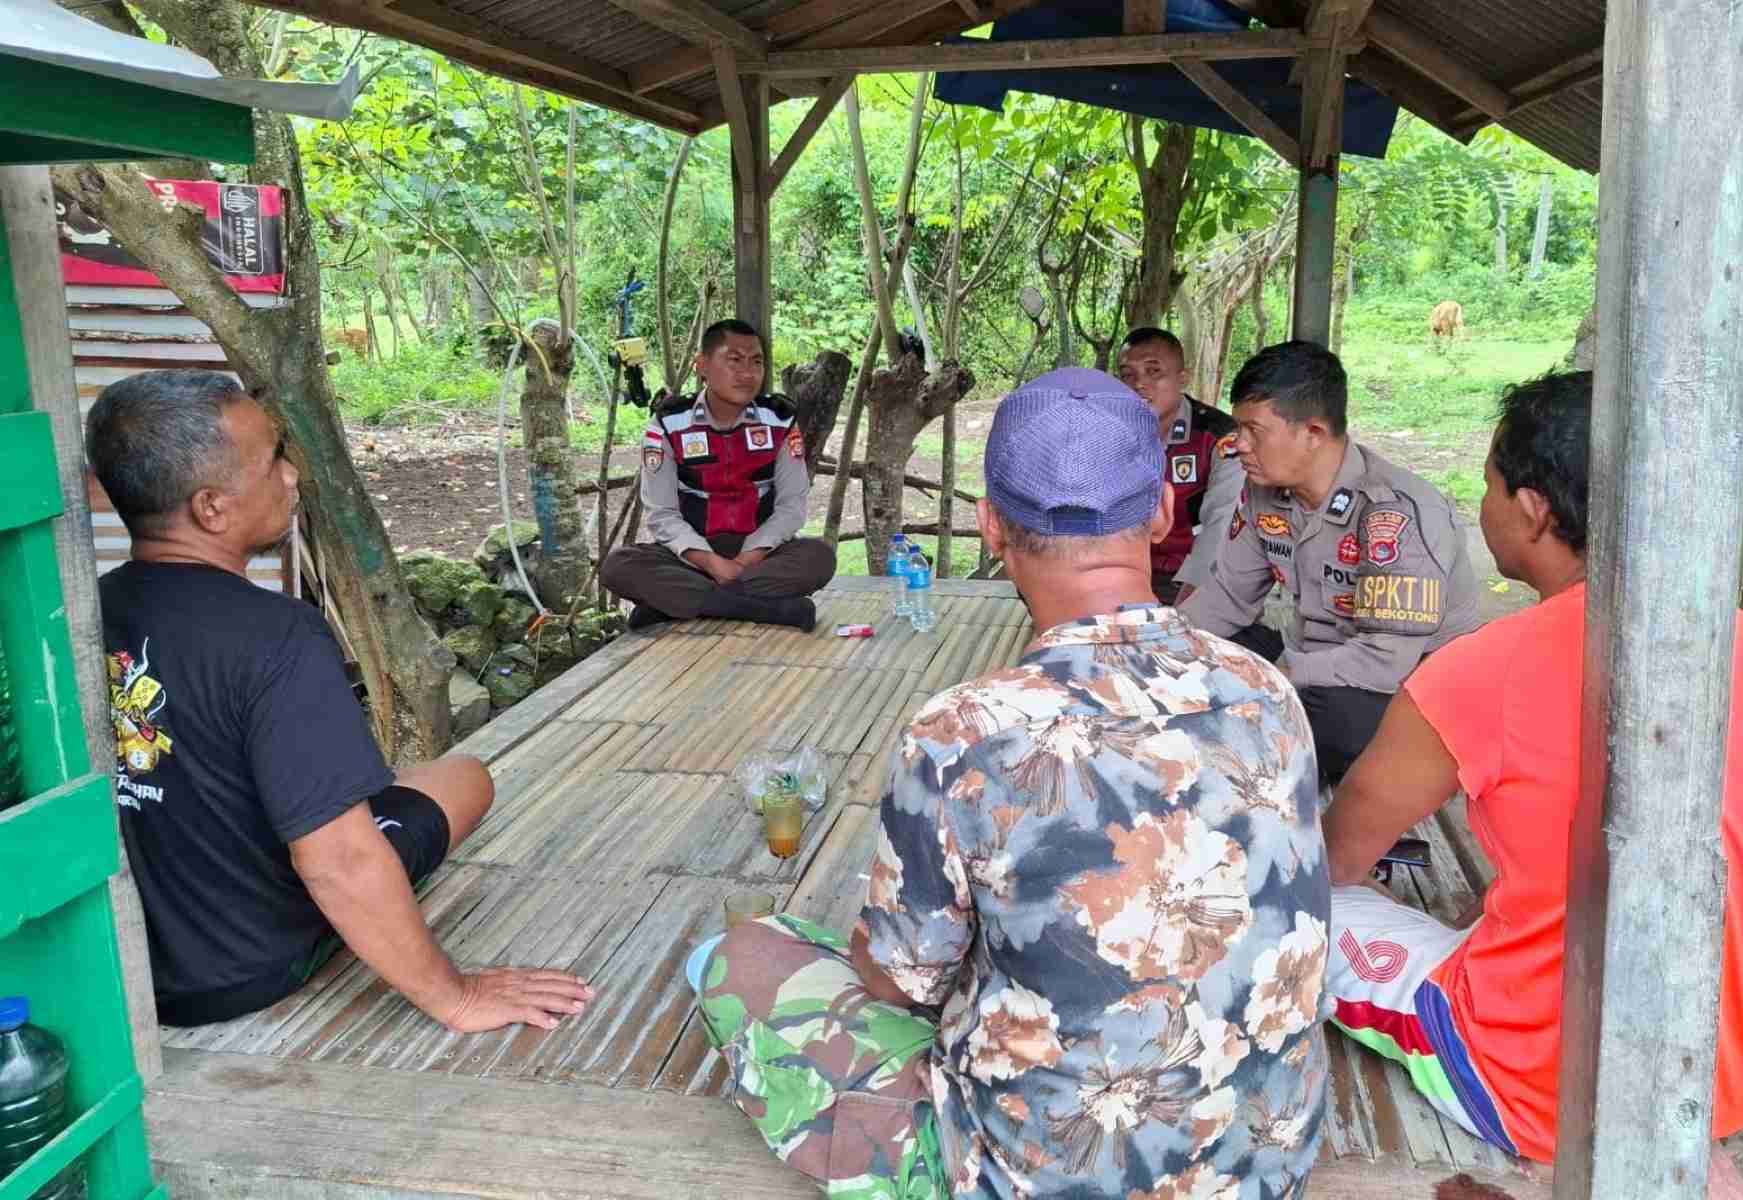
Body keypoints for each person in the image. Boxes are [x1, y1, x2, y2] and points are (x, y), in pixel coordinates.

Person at [686, 368, 1331, 1199]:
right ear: (1161, 512)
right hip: (1264, 1167)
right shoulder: (1265, 688)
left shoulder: (965, 731)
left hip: (1034, 1175)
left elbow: (902, 983)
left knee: (737, 954)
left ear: (990, 525)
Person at [1320, 370, 1743, 1164]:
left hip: (1536, 1090)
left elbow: (1334, 859)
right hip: (1726, 1083)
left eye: (1488, 487)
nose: (1483, 508)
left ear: (1532, 509)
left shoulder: (1483, 670)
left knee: (1300, 908)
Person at [88, 369, 593, 1031]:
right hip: (249, 966)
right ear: (211, 508)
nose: (291, 474)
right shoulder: (275, 635)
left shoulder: (88, 611)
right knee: (466, 779)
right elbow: (338, 862)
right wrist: (457, 996)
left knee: (426, 779)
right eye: (273, 458)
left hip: (130, 962)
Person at [1179, 340, 1479, 781]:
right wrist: (1164, 645)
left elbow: (1384, 660)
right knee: (1204, 658)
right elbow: (1227, 597)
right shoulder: (1265, 493)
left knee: (1317, 723)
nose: (1238, 444)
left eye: (1253, 430)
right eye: (1239, 428)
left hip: (1402, 688)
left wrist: (1276, 674)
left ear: (1314, 433)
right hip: (1315, 661)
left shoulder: (1393, 513)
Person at [601, 318, 834, 632]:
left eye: (756, 362)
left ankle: (682, 604)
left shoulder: (779, 420)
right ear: (702, 366)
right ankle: (767, 609)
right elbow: (662, 513)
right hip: (692, 558)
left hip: (759, 557)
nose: (748, 373)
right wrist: (711, 563)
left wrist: (743, 561)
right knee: (618, 566)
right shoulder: (669, 423)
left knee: (818, 558)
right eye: (734, 360)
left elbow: (791, 507)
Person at [1116, 325, 1245, 605]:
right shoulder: (1106, 432)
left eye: (1153, 371)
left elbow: (1222, 524)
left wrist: (1188, 605)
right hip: (1123, 574)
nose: (1139, 384)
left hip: (1192, 577)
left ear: (1182, 379)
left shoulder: (1218, 435)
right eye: (1127, 375)